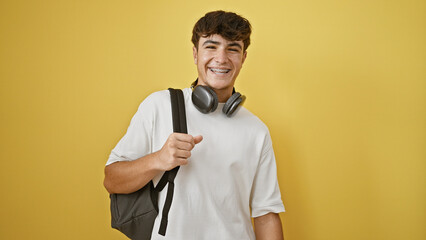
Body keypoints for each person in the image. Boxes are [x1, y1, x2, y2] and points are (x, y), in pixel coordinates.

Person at [104, 10, 285, 240]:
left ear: (243, 58)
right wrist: (158, 159)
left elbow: (266, 214)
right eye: (211, 46)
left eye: (233, 48)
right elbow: (111, 180)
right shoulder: (159, 105)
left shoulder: (256, 130)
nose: (221, 58)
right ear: (195, 53)